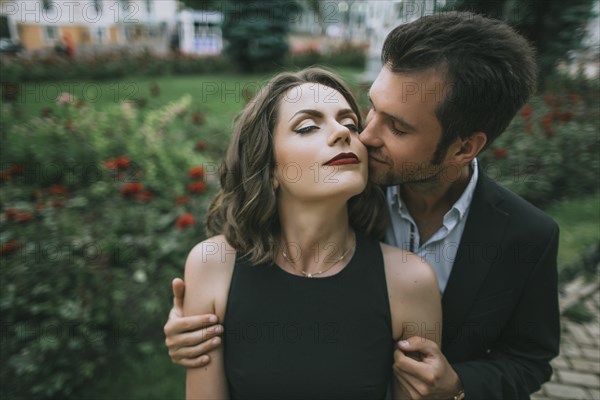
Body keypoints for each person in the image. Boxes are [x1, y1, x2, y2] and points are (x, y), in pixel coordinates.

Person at [165, 12, 560, 399]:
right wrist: (197, 329)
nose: (362, 135)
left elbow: (529, 359)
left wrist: (457, 387)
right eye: (369, 111)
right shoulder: (346, 181)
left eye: (398, 127)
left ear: (464, 147)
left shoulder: (526, 236)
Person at [182, 67, 442, 399]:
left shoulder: (410, 281)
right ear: (269, 167)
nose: (342, 134)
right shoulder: (212, 265)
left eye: (350, 124)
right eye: (307, 127)